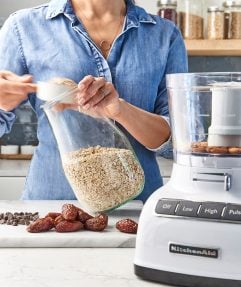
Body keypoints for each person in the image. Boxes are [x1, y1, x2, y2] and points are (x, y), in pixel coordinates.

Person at [0, 1, 187, 200]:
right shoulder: (23, 27)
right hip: (53, 208)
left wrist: (120, 110)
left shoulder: (165, 35)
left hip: (138, 208)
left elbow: (180, 143)